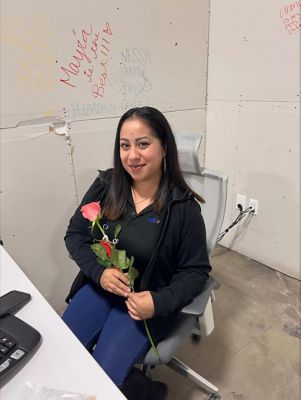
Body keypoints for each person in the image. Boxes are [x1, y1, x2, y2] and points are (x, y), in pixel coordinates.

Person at [62, 106, 212, 399]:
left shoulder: (183, 209)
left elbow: (196, 272)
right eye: (124, 145)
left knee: (103, 382)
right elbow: (75, 235)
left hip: (141, 306)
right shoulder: (106, 185)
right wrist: (100, 272)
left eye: (143, 144)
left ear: (164, 147)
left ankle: (151, 392)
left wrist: (158, 302)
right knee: (64, 354)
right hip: (100, 288)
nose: (132, 155)